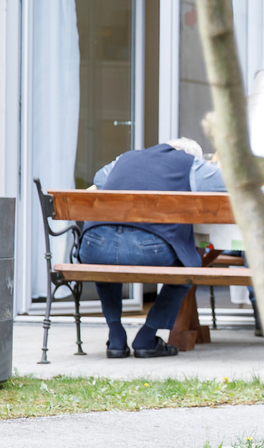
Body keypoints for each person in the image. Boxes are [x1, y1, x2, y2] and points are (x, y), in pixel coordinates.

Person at [80, 139, 226, 358]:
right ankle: (147, 336)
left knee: (107, 263)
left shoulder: (126, 157)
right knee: (191, 264)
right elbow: (229, 184)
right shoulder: (190, 164)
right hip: (149, 247)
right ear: (190, 155)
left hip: (94, 244)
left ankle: (116, 336)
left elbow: (99, 178)